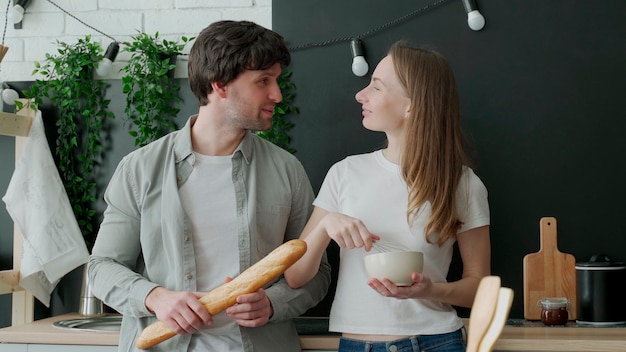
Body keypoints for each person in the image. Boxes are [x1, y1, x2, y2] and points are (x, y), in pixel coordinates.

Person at [88, 20, 331, 352]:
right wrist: (155, 298)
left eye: (276, 80)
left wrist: (274, 303)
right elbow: (102, 267)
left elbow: (317, 273)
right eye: (263, 81)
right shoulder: (140, 169)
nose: (277, 94)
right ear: (220, 85)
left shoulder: (287, 170)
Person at [284, 40, 490, 352]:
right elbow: (296, 276)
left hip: (435, 343)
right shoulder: (345, 173)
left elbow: (480, 288)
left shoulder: (462, 183)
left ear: (412, 104)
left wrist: (428, 290)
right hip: (355, 345)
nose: (360, 95)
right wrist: (326, 227)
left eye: (376, 87)